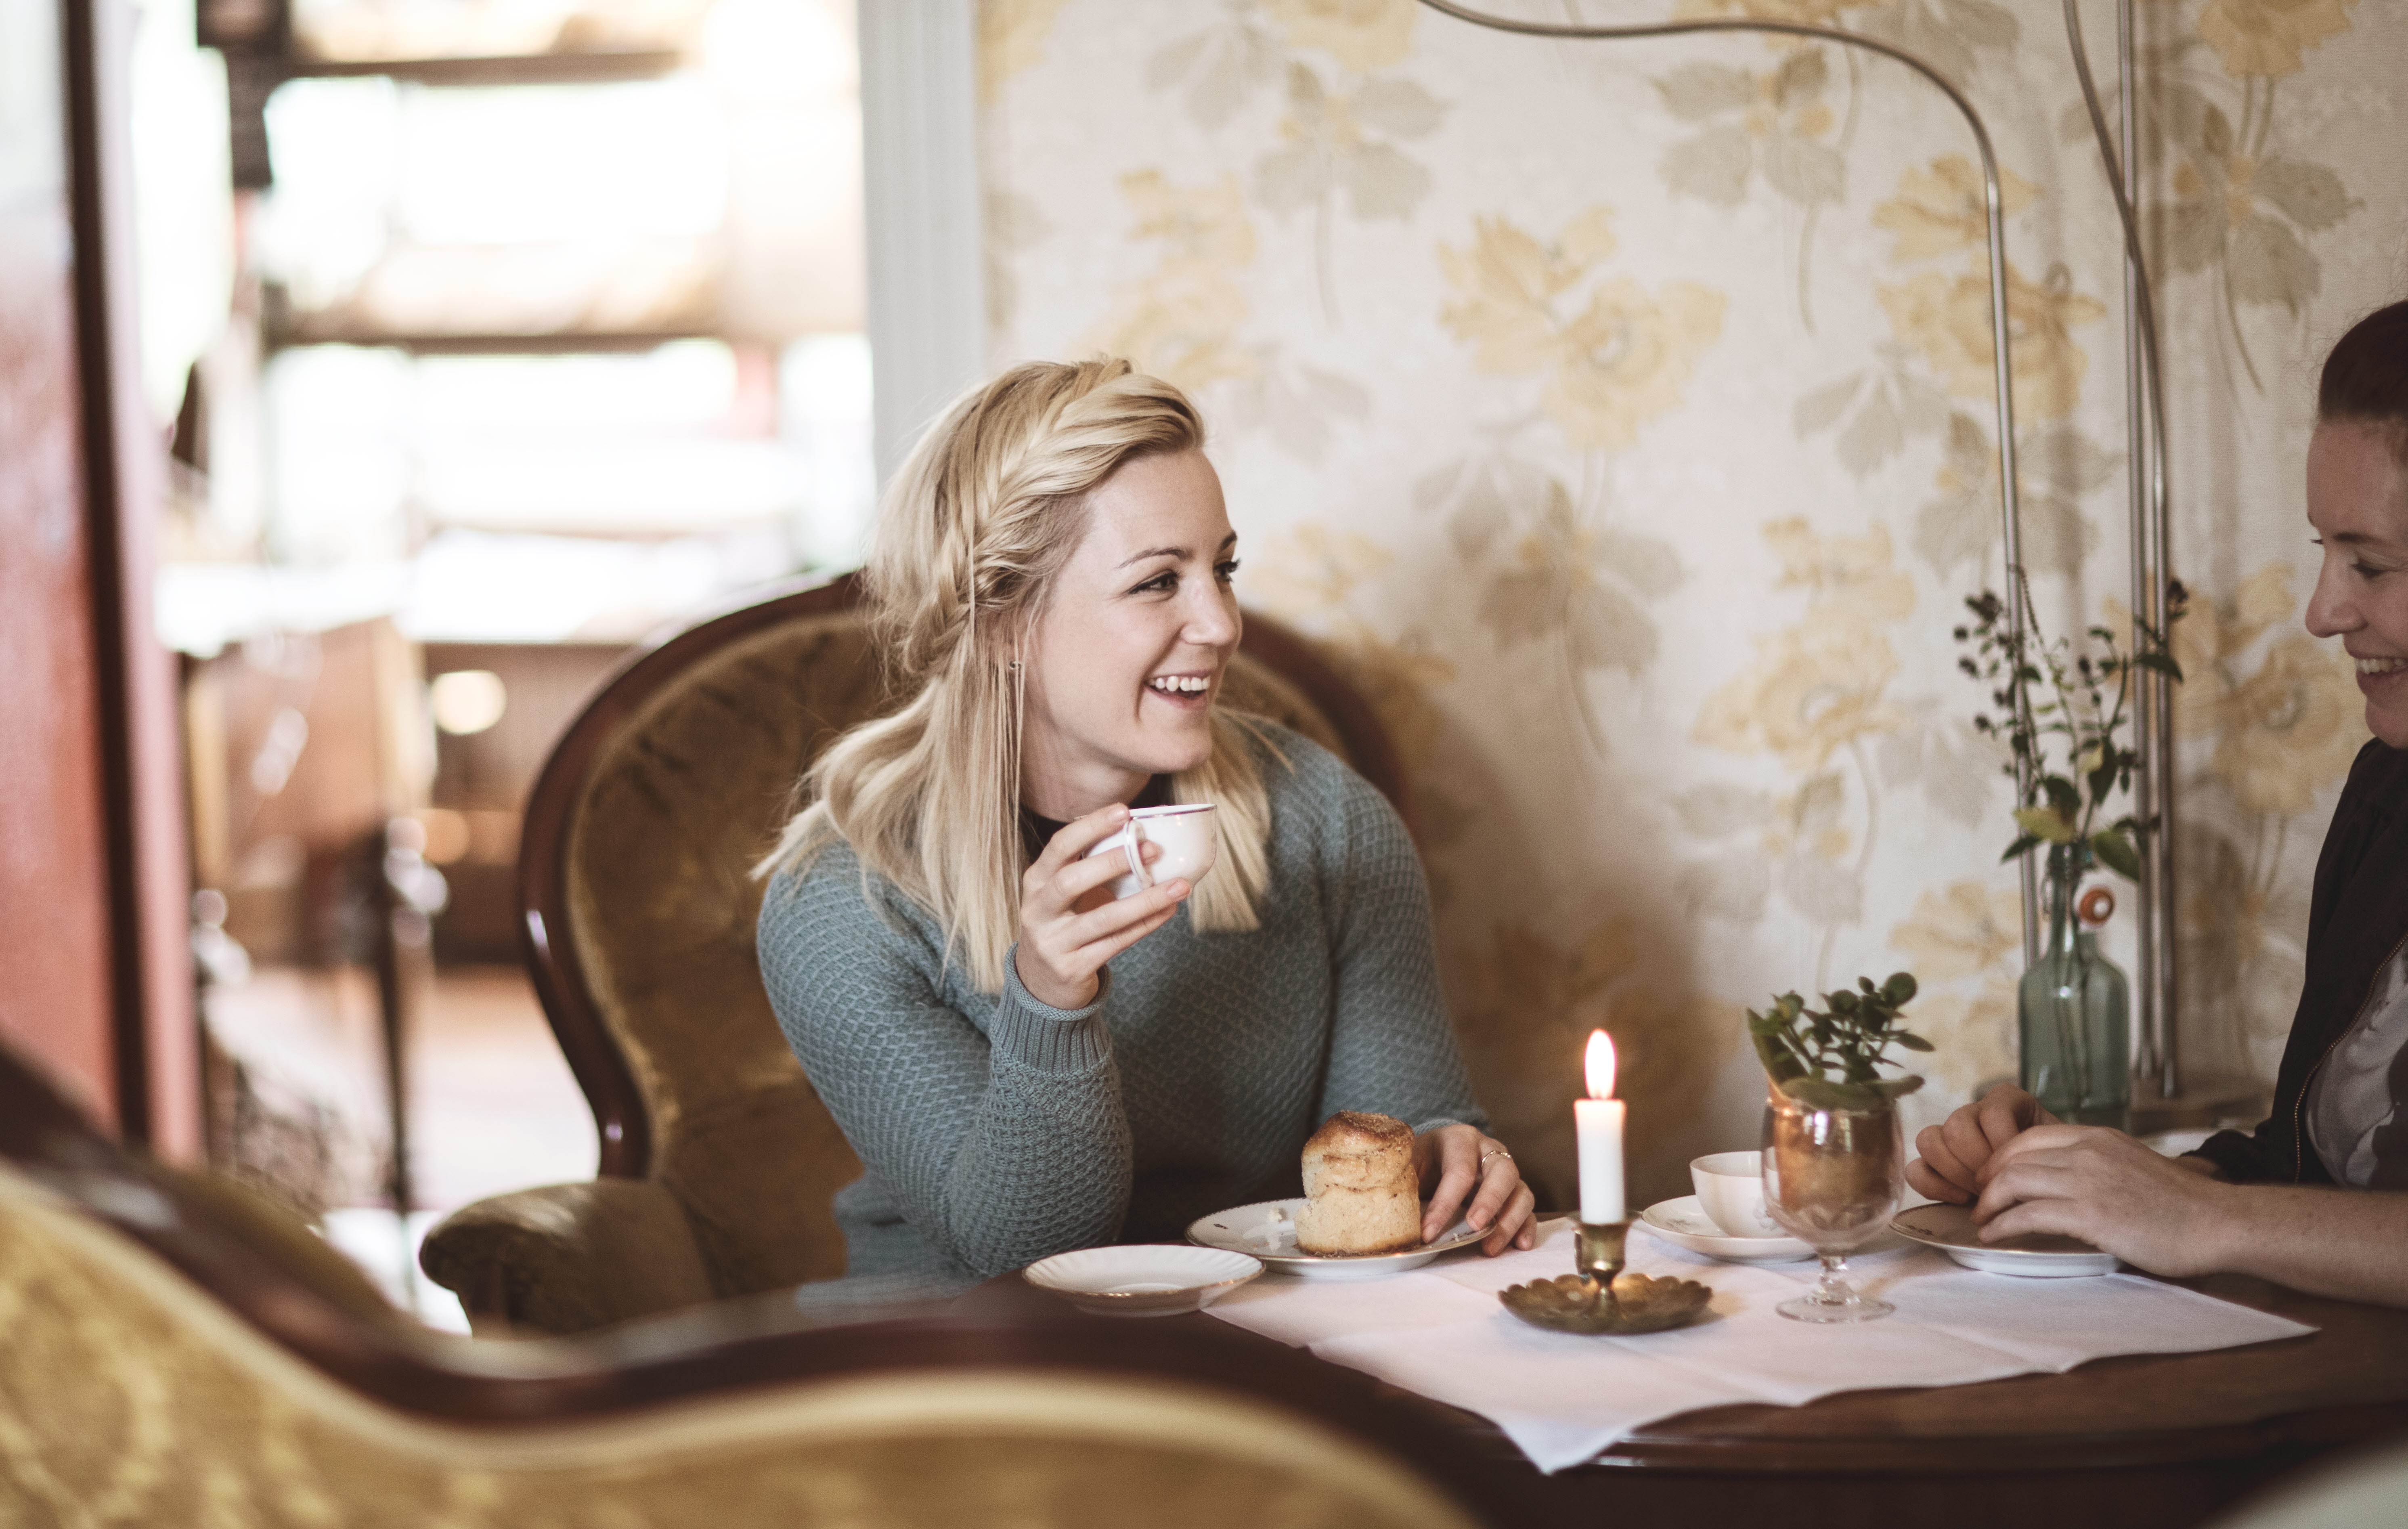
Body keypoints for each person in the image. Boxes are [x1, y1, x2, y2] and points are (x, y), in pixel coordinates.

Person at [755, 359, 1534, 1302]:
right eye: (1158, 582)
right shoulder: (844, 898)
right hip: (961, 1366)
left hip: (1266, 1344)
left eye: (1223, 569)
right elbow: (1024, 1255)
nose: (1219, 622)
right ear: (1002, 619)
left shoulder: (1325, 823)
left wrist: (1444, 1158)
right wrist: (1048, 1002)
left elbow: (1393, 1152)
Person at [1907, 300, 2408, 1307]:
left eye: (2370, 564)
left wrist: (2201, 1220)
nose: (2322, 611)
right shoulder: (2385, 794)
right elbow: (2310, 1169)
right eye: (2322, 552)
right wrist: (2075, 1173)